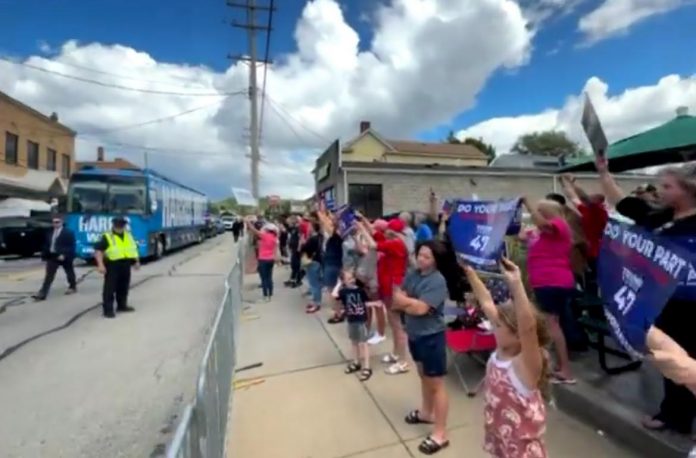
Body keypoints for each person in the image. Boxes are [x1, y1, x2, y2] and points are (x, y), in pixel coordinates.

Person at [597, 157, 696, 436]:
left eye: (667, 186)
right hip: (667, 304)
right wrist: (604, 172)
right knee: (671, 360)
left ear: (688, 189)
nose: (660, 190)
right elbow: (621, 202)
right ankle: (674, 415)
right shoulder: (660, 217)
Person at [464, 258, 550, 458]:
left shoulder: (525, 366)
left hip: (522, 448)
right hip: (500, 436)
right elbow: (486, 300)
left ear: (518, 334)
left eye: (498, 325)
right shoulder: (502, 349)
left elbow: (528, 329)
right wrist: (469, 271)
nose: (493, 325)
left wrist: (517, 285)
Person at [393, 241, 450, 455]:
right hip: (414, 334)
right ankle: (426, 413)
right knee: (423, 376)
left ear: (436, 259)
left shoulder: (437, 281)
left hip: (431, 337)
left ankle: (440, 433)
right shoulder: (414, 274)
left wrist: (405, 301)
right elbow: (399, 299)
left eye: (427, 256)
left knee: (436, 384)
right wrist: (408, 302)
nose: (421, 259)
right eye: (420, 255)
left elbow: (421, 309)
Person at [520, 197, 576, 384]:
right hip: (547, 283)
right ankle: (560, 367)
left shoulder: (558, 225)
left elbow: (542, 224)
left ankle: (565, 370)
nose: (538, 215)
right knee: (552, 324)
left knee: (552, 325)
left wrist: (528, 203)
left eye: (541, 211)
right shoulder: (547, 233)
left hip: (552, 282)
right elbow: (523, 237)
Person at [358, 217, 410, 374]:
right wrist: (363, 221)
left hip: (394, 289)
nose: (383, 231)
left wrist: (360, 228)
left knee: (397, 326)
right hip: (387, 288)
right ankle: (395, 354)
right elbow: (375, 234)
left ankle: (403, 361)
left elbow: (373, 245)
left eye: (386, 229)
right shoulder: (391, 241)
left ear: (391, 231)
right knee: (393, 324)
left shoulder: (396, 244)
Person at [334, 268, 378, 382]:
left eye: (352, 278)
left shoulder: (360, 291)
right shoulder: (343, 292)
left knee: (364, 343)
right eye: (348, 279)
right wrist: (339, 284)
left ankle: (367, 367)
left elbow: (366, 303)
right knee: (354, 342)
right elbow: (334, 295)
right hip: (351, 321)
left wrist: (376, 303)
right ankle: (356, 362)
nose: (352, 280)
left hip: (361, 320)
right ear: (344, 281)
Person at [94, 217, 140, 318]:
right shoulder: (107, 236)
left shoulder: (128, 235)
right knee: (110, 288)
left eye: (122, 225)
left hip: (126, 264)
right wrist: (100, 265)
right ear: (114, 225)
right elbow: (98, 251)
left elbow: (133, 248)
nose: (120, 226)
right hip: (112, 264)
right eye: (118, 225)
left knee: (123, 286)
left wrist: (136, 261)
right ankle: (108, 310)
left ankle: (122, 305)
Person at [33, 215, 77, 301]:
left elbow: (71, 246)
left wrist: (64, 254)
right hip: (53, 256)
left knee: (69, 272)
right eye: (53, 222)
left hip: (65, 256)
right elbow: (47, 244)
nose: (55, 224)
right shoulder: (50, 232)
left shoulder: (68, 232)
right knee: (49, 275)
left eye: (57, 222)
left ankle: (72, 286)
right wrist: (44, 255)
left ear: (61, 222)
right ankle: (42, 293)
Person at [246, 218, 278, 302]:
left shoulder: (264, 236)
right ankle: (270, 294)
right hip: (271, 259)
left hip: (263, 259)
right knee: (269, 277)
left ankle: (265, 295)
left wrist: (248, 222)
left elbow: (253, 230)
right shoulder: (275, 238)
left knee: (264, 278)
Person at [301, 222, 324, 314]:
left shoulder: (313, 239)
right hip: (319, 262)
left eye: (310, 226)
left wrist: (303, 243)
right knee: (316, 283)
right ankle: (316, 301)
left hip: (312, 262)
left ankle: (316, 303)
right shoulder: (321, 238)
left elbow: (303, 249)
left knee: (314, 284)